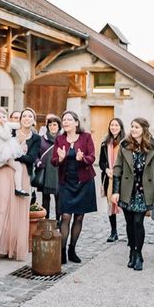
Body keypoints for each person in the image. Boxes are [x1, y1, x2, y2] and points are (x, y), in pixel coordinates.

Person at [111, 118, 154, 271]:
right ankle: (131, 252)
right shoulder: (125, 145)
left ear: (144, 129)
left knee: (138, 223)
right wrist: (115, 191)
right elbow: (117, 169)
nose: (133, 129)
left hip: (144, 191)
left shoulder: (153, 146)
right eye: (132, 126)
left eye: (137, 127)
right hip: (127, 191)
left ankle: (138, 254)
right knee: (129, 223)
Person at [0, 107, 40, 263]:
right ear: (19, 118)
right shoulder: (9, 131)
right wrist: (16, 153)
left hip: (21, 173)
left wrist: (20, 155)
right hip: (4, 170)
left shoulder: (36, 138)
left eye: (30, 116)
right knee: (1, 208)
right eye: (24, 115)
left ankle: (12, 246)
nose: (27, 118)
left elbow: (31, 158)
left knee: (18, 211)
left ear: (33, 120)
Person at [52, 110, 96, 264]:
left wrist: (82, 158)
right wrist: (61, 158)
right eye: (64, 119)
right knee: (65, 216)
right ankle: (62, 251)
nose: (65, 122)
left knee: (79, 216)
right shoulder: (59, 139)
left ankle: (72, 249)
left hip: (83, 182)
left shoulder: (86, 137)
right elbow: (54, 161)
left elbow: (92, 157)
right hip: (66, 182)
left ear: (76, 122)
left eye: (69, 119)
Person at [0, 108, 26, 195]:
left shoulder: (6, 123)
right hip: (1, 151)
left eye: (4, 117)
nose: (2, 119)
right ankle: (18, 188)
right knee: (18, 167)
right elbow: (6, 137)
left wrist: (23, 123)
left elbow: (16, 125)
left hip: (4, 149)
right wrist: (6, 126)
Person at [98, 118, 125, 242]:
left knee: (125, 205)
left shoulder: (125, 143)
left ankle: (130, 232)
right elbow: (101, 162)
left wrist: (118, 171)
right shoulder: (105, 143)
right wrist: (107, 169)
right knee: (111, 205)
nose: (114, 127)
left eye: (116, 125)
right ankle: (113, 232)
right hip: (109, 178)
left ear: (120, 127)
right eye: (112, 125)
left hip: (123, 178)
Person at [37, 115, 61, 220]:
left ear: (59, 126)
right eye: (50, 125)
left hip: (59, 173)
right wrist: (38, 162)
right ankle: (45, 221)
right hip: (45, 172)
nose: (52, 127)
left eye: (55, 124)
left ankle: (58, 221)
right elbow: (36, 155)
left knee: (59, 199)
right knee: (45, 199)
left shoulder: (63, 139)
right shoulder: (42, 139)